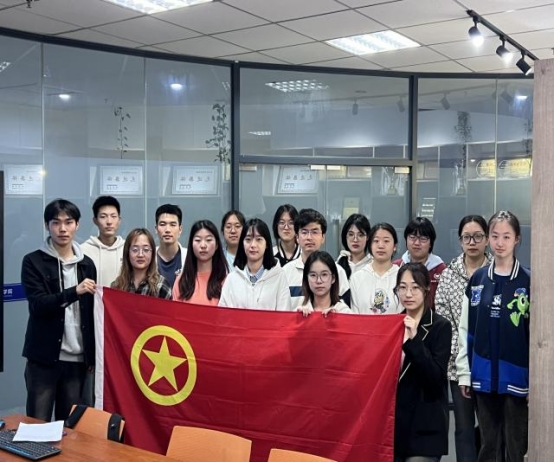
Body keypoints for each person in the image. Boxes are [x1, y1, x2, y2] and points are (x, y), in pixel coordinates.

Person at [456, 211, 530, 462]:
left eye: (506, 236)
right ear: (488, 238)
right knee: (488, 445)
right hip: (483, 375)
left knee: (516, 446)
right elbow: (466, 329)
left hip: (517, 376)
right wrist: (465, 372)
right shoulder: (478, 279)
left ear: (517, 239)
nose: (500, 242)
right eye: (495, 236)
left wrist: (536, 381)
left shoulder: (528, 281)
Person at [21, 199, 97, 421]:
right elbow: (38, 305)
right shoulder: (33, 261)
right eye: (56, 223)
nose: (63, 229)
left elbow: (91, 313)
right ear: (47, 225)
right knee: (38, 424)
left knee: (70, 427)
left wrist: (91, 356)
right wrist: (74, 291)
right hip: (43, 358)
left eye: (69, 222)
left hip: (77, 359)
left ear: (77, 225)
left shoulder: (87, 264)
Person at [435, 215, 492, 462]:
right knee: (464, 428)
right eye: (467, 237)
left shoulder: (497, 272)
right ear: (460, 241)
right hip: (457, 365)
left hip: (490, 363)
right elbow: (443, 319)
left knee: (491, 428)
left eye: (478, 236)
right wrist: (460, 356)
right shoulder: (449, 275)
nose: (472, 242)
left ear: (487, 239)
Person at [394, 262, 451, 462]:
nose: (408, 294)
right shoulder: (392, 325)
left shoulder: (441, 326)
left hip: (426, 426)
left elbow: (435, 379)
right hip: (396, 427)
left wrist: (415, 339)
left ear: (426, 289)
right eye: (402, 287)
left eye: (415, 287)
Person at [282, 208, 350, 309]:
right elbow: (281, 311)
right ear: (297, 238)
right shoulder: (285, 272)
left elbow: (346, 312)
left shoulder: (337, 271)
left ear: (323, 237)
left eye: (314, 232)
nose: (309, 237)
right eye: (304, 232)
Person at [219, 218, 290, 311]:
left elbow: (284, 314)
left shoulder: (279, 277)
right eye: (248, 239)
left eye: (259, 239)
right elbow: (223, 314)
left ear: (267, 244)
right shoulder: (232, 279)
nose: (253, 245)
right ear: (242, 244)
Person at [394, 217, 446, 309]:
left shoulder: (441, 270)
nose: (417, 243)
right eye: (412, 237)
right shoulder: (397, 267)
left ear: (431, 243)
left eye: (423, 238)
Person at [173, 220, 228, 306]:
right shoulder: (182, 281)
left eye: (208, 240)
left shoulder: (226, 281)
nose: (203, 245)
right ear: (191, 244)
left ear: (217, 245)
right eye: (198, 240)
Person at [350, 223, 400, 314]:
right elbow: (354, 315)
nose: (381, 245)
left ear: (395, 246)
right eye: (376, 241)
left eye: (386, 241)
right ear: (370, 245)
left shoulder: (402, 277)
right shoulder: (357, 278)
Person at [112, 228, 172, 299]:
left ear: (152, 253)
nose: (140, 255)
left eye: (146, 250)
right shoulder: (117, 286)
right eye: (135, 250)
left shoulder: (161, 286)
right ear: (127, 253)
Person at [81, 195, 125, 288]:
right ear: (95, 221)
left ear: (119, 220)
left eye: (113, 216)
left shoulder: (128, 249)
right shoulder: (83, 251)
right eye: (103, 216)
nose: (109, 221)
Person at [297, 251, 351, 317]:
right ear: (306, 279)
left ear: (333, 278)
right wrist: (299, 319)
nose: (319, 281)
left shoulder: (344, 312)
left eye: (324, 274)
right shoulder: (299, 311)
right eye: (313, 275)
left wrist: (337, 319)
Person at [155, 204, 187, 288]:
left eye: (173, 225)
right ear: (156, 229)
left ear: (180, 229)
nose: (167, 230)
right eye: (162, 224)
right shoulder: (148, 257)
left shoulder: (189, 257)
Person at [336, 213, 372, 279]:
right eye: (351, 234)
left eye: (360, 235)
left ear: (367, 237)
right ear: (345, 236)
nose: (355, 240)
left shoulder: (372, 264)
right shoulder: (337, 265)